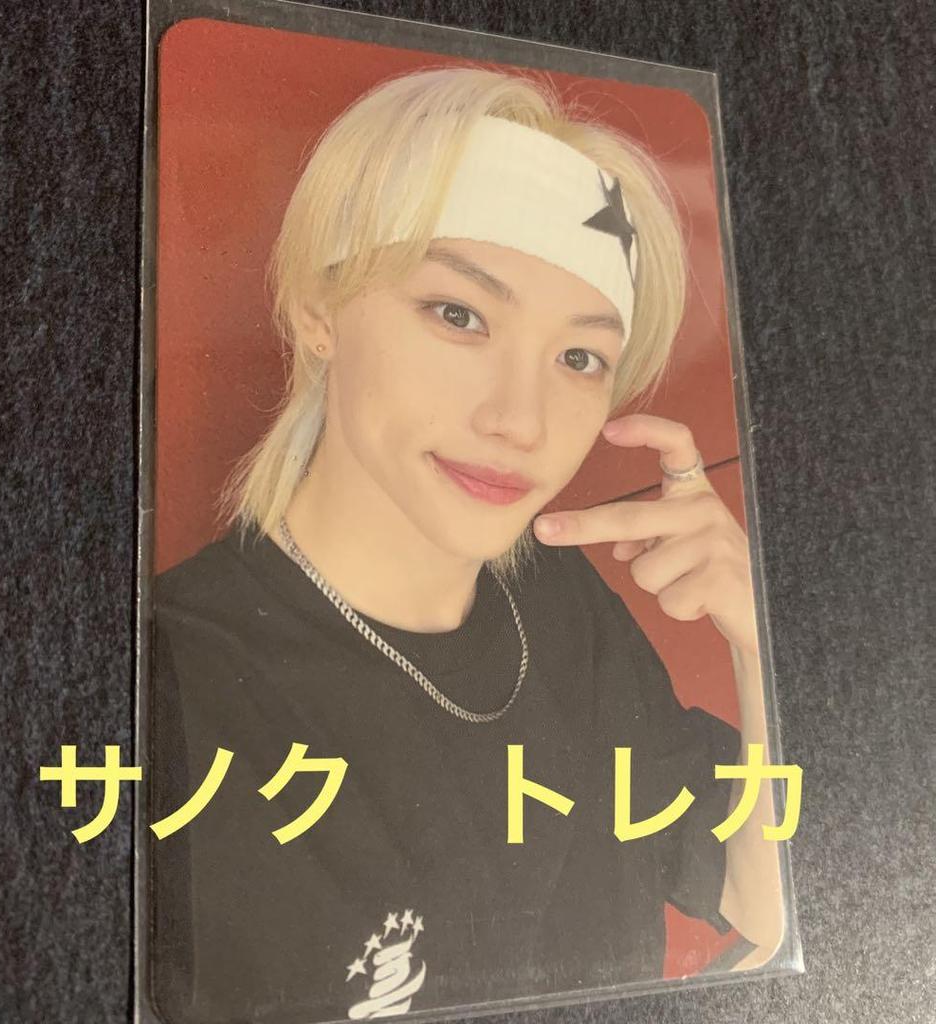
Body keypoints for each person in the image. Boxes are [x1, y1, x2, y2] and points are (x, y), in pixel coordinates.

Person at [148, 65, 783, 1024]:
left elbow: (761, 905)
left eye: (579, 358)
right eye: (458, 315)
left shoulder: (564, 608)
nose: (521, 421)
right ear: (320, 309)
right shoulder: (169, 681)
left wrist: (762, 642)